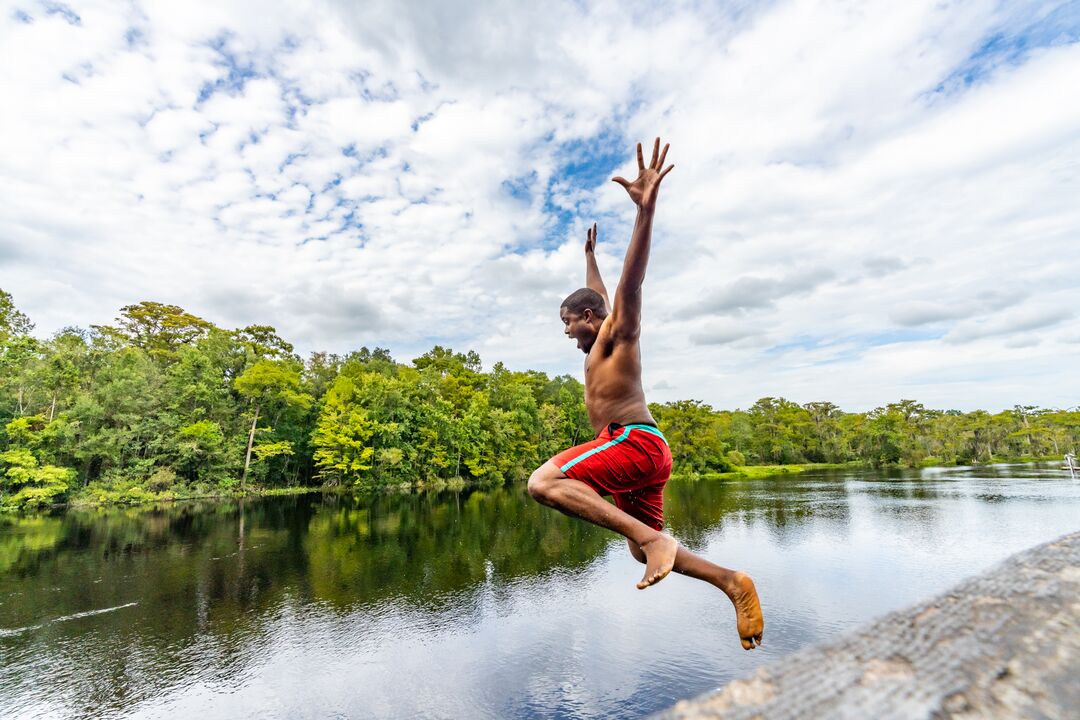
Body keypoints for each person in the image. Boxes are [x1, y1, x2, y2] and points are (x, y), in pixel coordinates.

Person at [527, 138, 765, 650]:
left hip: (634, 443)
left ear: (590, 319)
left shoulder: (616, 336)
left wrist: (645, 212)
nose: (567, 332)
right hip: (642, 455)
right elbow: (601, 294)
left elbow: (626, 290)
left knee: (544, 483)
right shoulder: (598, 340)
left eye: (568, 323)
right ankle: (732, 582)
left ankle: (654, 538)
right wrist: (590, 259)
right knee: (640, 550)